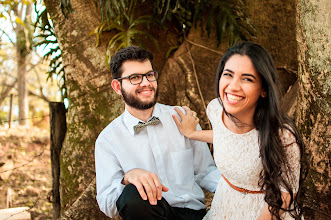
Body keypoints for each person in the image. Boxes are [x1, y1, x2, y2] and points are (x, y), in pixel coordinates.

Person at [173, 42, 308, 219]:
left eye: (247, 79)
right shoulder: (216, 109)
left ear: (264, 90)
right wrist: (193, 134)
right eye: (228, 75)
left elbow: (285, 194)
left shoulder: (282, 134)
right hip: (224, 204)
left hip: (265, 212)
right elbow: (229, 139)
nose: (233, 86)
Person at [95, 46, 221, 220]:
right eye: (135, 78)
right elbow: (107, 203)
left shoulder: (182, 118)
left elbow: (205, 172)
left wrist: (243, 190)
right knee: (133, 195)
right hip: (149, 214)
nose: (146, 83)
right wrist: (127, 179)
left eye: (149, 75)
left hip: (191, 214)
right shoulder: (108, 140)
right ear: (118, 86)